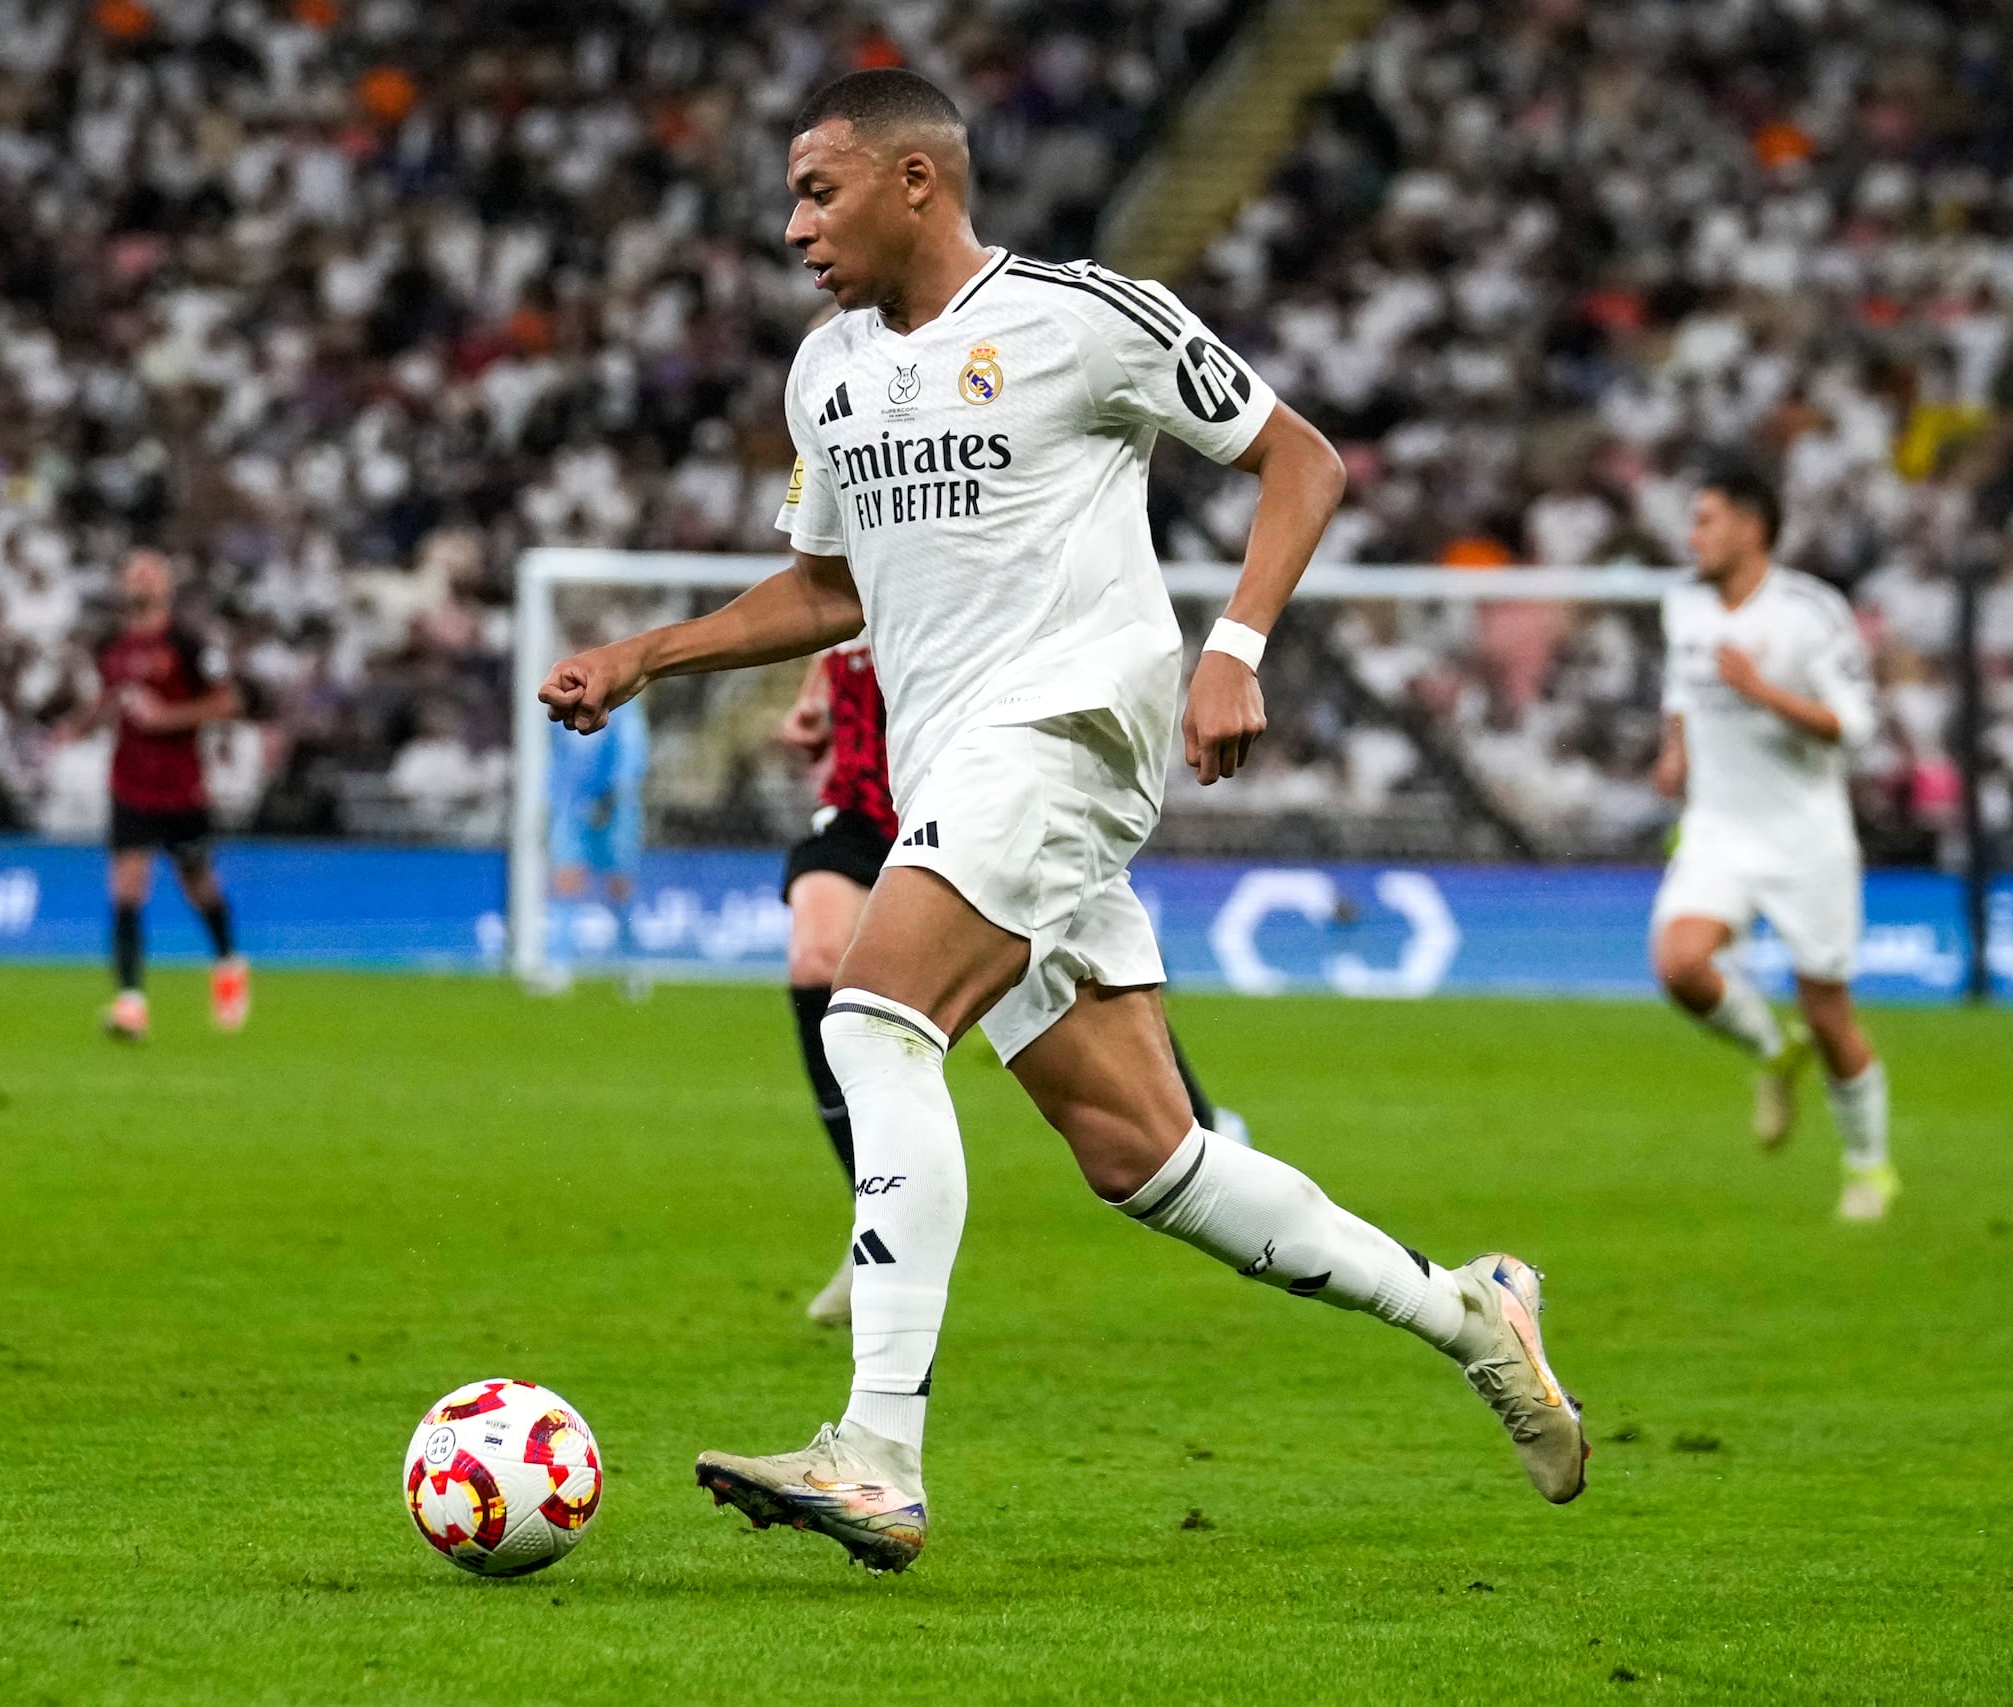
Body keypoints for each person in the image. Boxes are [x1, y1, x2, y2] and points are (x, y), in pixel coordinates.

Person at [539, 69, 1586, 1574]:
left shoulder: (1085, 315)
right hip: (957, 769)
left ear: (916, 180)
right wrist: (647, 655)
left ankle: (876, 1451)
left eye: (819, 191)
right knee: (1145, 1154)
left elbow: (1301, 460)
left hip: (1068, 728)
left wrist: (1235, 647)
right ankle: (1469, 1308)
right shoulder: (826, 374)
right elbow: (830, 587)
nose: (794, 228)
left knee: (873, 1016)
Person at [779, 644, 1248, 1328]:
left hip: (975, 796)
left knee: (1067, 974)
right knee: (818, 959)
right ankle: (878, 1223)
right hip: (866, 797)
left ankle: (1204, 1127)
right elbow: (835, 600)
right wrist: (816, 687)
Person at [1650, 464, 1895, 1221]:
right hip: (1718, 826)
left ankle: (1869, 1166)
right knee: (1681, 964)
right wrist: (1675, 751)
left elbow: (1857, 725)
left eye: (1707, 520)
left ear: (1752, 527)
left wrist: (1762, 692)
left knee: (1828, 1014)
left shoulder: (1810, 611)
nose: (1693, 536)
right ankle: (1771, 1050)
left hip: (1806, 838)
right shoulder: (1684, 604)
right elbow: (1682, 692)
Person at [87, 549, 249, 1041]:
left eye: (149, 574)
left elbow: (229, 701)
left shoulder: (189, 643)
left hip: (181, 786)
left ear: (165, 586)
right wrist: (81, 723)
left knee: (197, 884)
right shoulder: (112, 646)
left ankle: (227, 963)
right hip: (129, 783)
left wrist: (167, 718)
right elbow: (111, 699)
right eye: (132, 573)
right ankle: (131, 1003)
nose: (139, 581)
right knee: (127, 886)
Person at [542, 694, 649, 988]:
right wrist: (549, 799)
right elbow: (556, 757)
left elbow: (633, 752)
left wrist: (613, 794)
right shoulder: (562, 704)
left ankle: (631, 963)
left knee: (618, 886)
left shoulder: (623, 703)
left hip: (615, 808)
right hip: (572, 807)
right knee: (565, 880)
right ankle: (559, 966)